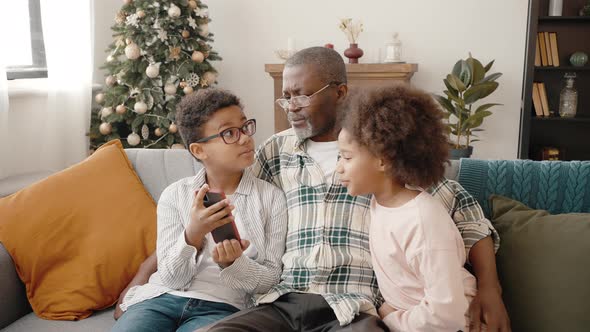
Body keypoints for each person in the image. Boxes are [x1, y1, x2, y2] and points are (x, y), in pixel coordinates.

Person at [119, 47, 511, 331]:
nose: (291, 106)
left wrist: (490, 290)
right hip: (283, 299)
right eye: (286, 96)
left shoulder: (382, 151)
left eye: (301, 95)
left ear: (339, 92)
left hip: (352, 304)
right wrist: (141, 279)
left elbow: (466, 214)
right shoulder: (275, 151)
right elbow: (212, 196)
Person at [111, 88, 287, 332]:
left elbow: (271, 279)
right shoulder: (175, 195)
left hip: (224, 307)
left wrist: (234, 264)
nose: (245, 138)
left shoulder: (271, 199)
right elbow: (172, 277)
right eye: (229, 133)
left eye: (245, 127)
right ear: (198, 150)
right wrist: (192, 236)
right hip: (160, 299)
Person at [337, 84, 478, 331]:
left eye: (346, 157)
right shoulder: (379, 202)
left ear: (383, 160)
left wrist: (390, 319)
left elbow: (447, 313)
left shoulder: (423, 219)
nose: (338, 168)